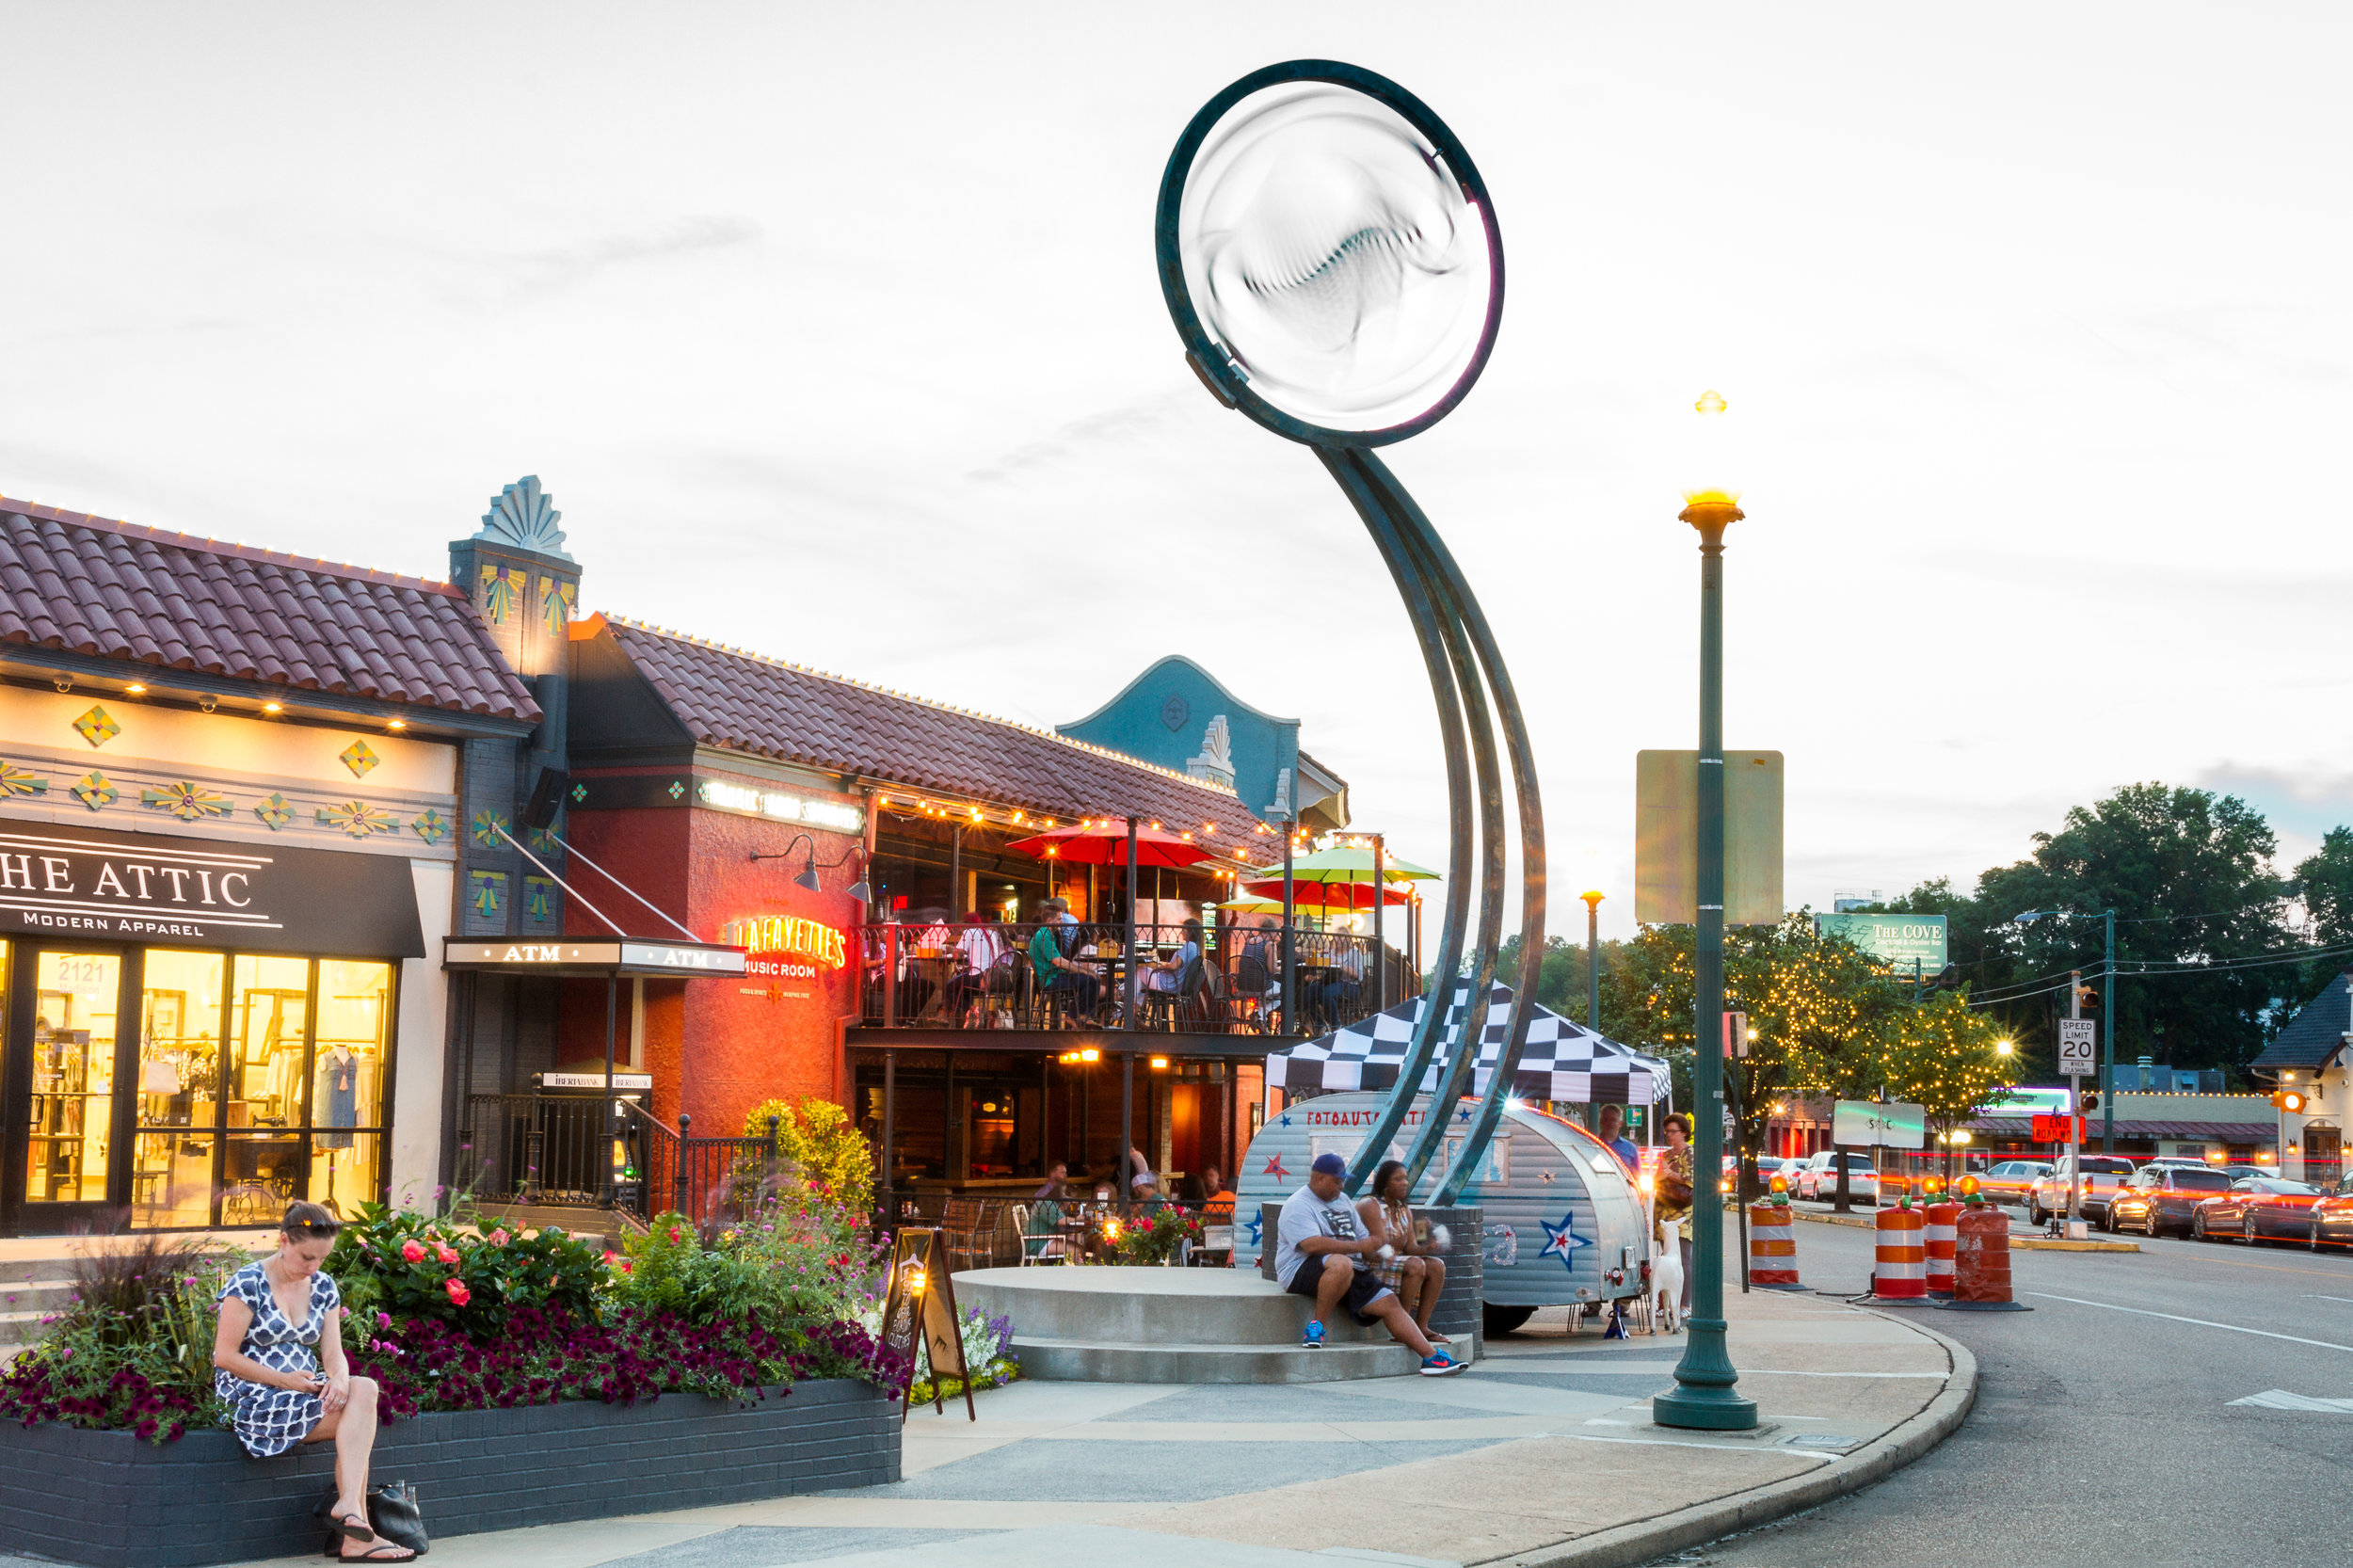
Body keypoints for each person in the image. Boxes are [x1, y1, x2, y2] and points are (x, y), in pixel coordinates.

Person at [213, 1202, 414, 1560]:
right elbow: (224, 1357)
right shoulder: (248, 1283)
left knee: (363, 1387)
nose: (313, 1267)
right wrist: (285, 1381)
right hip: (254, 1398)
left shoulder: (322, 1287)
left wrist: (338, 1379)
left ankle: (350, 1509)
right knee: (359, 1424)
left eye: (321, 1258)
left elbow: (333, 1353)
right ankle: (355, 1531)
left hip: (302, 1393)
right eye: (306, 1257)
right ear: (284, 1241)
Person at [1274, 1154, 1465, 1373]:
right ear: (1319, 1179)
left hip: (1349, 1267)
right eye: (1337, 1181)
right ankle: (1316, 1327)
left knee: (1389, 1301)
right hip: (1301, 1268)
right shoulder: (1298, 1204)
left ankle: (1432, 1358)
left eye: (1342, 1181)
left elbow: (1366, 1242)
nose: (1341, 1186)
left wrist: (1377, 1250)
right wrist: (1361, 1246)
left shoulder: (1345, 1201)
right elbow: (1311, 1245)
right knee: (1341, 1263)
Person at [1358, 1159, 1450, 1345]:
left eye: (1406, 1179)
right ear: (1384, 1183)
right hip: (1370, 1265)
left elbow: (1409, 1248)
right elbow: (1376, 1246)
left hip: (1394, 1262)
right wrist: (1401, 1245)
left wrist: (1428, 1245)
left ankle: (1421, 1326)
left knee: (1436, 1266)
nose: (1405, 1183)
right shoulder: (1370, 1205)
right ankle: (1404, 1326)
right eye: (1398, 1179)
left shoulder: (1403, 1210)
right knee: (1415, 1264)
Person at [1028, 899, 1101, 1018]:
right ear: (1049, 921)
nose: (1062, 922)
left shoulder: (1048, 934)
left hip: (1055, 976)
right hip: (1050, 979)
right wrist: (1082, 970)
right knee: (1090, 980)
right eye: (1059, 919)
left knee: (1093, 979)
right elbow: (1057, 961)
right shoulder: (1043, 936)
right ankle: (1076, 1016)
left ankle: (1081, 1016)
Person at [1656, 1113, 1695, 1315]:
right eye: (1667, 1132)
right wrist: (1662, 1175)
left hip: (1682, 1215)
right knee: (1665, 1259)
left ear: (1684, 1133)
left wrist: (1670, 1175)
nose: (1669, 1135)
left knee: (1683, 1259)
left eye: (1673, 1132)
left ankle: (1684, 1304)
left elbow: (1691, 1179)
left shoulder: (1689, 1153)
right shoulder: (1667, 1155)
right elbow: (1657, 1180)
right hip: (1664, 1212)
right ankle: (1666, 1304)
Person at [1596, 1104, 1640, 1174]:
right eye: (1605, 1119)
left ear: (1620, 1123)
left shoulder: (1630, 1148)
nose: (1609, 1123)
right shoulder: (1591, 1144)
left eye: (1613, 1120)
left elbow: (1637, 1176)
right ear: (1600, 1122)